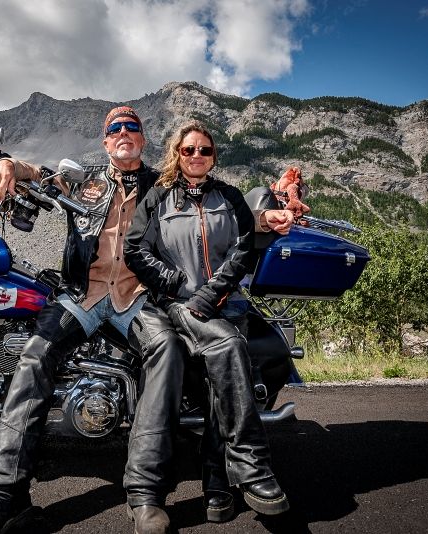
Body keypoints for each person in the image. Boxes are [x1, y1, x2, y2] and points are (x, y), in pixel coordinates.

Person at [0, 106, 185, 534]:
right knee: (34, 356)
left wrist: (270, 208)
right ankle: (3, 499)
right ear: (105, 141)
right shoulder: (85, 179)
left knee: (166, 349)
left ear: (142, 138)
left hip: (134, 297)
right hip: (82, 293)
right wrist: (8, 163)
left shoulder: (163, 185)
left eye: (131, 127)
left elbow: (208, 197)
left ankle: (146, 494)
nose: (123, 132)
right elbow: (35, 173)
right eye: (114, 128)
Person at [124, 120, 294, 521]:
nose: (197, 156)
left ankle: (216, 477)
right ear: (177, 154)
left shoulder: (229, 196)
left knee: (225, 375)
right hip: (177, 302)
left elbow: (243, 249)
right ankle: (244, 467)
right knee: (227, 348)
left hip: (225, 301)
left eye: (205, 150)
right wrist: (175, 284)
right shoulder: (159, 196)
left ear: (214, 156)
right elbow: (135, 249)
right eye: (189, 150)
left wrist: (213, 291)